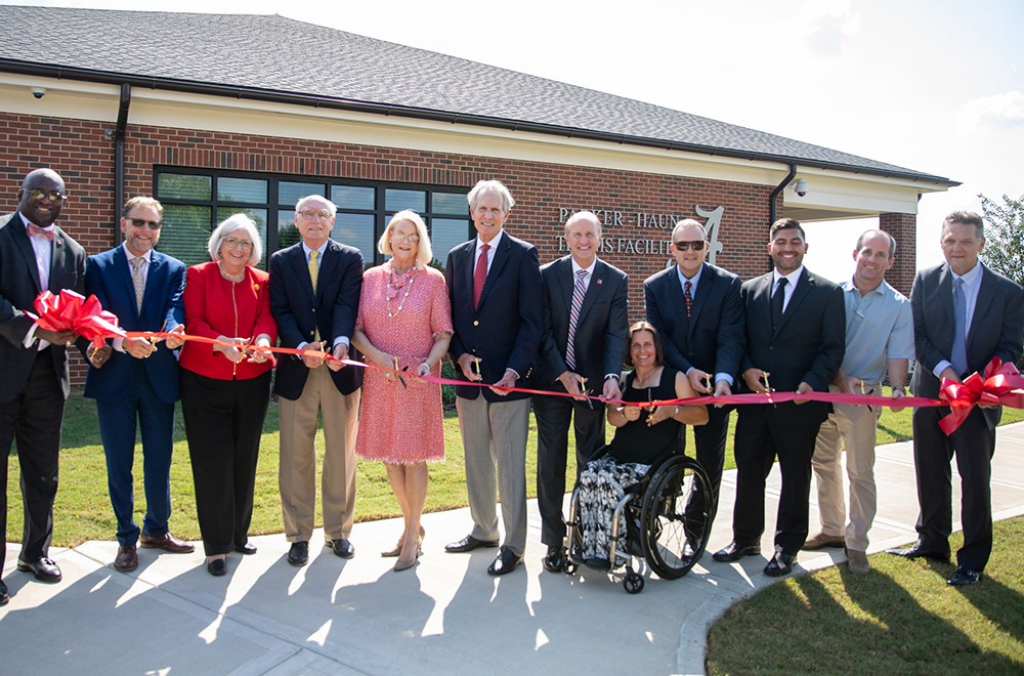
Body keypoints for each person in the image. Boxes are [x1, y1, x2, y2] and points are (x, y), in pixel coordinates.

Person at [887, 211, 1024, 586]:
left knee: (975, 477)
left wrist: (984, 382)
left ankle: (973, 559)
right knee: (930, 469)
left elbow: (1011, 346)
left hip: (979, 400)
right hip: (933, 392)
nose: (957, 248)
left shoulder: (1009, 293)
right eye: (950, 240)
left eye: (965, 241)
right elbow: (919, 333)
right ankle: (932, 542)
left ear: (981, 244)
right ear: (941, 242)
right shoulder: (926, 280)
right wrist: (947, 373)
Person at [713, 218, 845, 577]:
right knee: (749, 472)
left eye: (795, 242)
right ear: (768, 247)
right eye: (781, 242)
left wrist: (811, 382)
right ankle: (745, 539)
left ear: (806, 246)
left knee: (795, 476)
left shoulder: (828, 293)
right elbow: (736, 340)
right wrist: (746, 370)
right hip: (755, 405)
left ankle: (787, 547)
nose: (788, 248)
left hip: (800, 405)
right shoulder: (749, 290)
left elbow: (832, 349)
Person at [83, 196, 193, 572]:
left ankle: (157, 529)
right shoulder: (97, 266)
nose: (146, 231)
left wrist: (171, 332)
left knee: (160, 458)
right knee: (119, 462)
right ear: (123, 224)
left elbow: (175, 307)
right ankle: (126, 538)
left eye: (153, 225)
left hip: (159, 377)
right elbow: (92, 315)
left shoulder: (174, 268)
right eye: (139, 223)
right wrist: (120, 342)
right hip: (114, 378)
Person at [443, 179, 543, 576]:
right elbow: (449, 316)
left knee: (510, 466)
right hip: (469, 381)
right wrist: (458, 354)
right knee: (476, 462)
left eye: (495, 209)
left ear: (506, 214)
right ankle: (484, 529)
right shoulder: (456, 256)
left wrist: (515, 370)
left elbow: (532, 323)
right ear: (472, 213)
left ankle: (514, 544)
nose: (487, 215)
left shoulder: (522, 256)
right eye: (481, 209)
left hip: (509, 382)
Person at [0, 168, 86, 603]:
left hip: (48, 381)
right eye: (38, 192)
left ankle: (36, 553)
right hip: (2, 373)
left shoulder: (72, 250)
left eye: (55, 194)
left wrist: (97, 346)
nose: (47, 199)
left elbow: (82, 311)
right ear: (22, 194)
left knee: (43, 475)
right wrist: (34, 330)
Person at [806, 229, 913, 574]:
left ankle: (857, 543)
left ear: (891, 263)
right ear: (855, 254)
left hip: (863, 399)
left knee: (860, 472)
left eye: (881, 255)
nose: (873, 260)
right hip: (824, 394)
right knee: (823, 464)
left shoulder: (899, 306)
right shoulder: (831, 294)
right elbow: (819, 344)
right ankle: (832, 530)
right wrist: (837, 379)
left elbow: (898, 355)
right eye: (868, 252)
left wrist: (897, 388)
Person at [351, 210, 452, 572]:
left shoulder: (434, 280)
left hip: (417, 380)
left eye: (412, 235)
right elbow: (357, 329)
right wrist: (377, 357)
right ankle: (412, 525)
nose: (405, 241)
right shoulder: (369, 278)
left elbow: (443, 334)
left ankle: (411, 536)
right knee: (391, 457)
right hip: (380, 378)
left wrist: (428, 364)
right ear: (388, 238)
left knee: (413, 456)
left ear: (420, 240)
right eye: (399, 234)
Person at [179, 214, 276, 577]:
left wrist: (263, 341)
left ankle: (238, 533)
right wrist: (221, 345)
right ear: (218, 244)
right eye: (232, 241)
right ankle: (216, 546)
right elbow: (194, 322)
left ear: (254, 250)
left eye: (246, 243)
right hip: (205, 380)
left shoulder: (262, 281)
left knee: (244, 456)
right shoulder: (199, 275)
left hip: (252, 379)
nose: (238, 248)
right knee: (212, 460)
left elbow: (267, 321)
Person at [270, 195, 363, 567]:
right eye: (307, 214)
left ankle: (338, 532)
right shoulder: (281, 261)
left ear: (332, 222)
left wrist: (340, 343)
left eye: (322, 215)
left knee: (341, 454)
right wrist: (298, 345)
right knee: (296, 456)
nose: (315, 220)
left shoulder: (349, 258)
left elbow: (347, 304)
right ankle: (298, 535)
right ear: (296, 220)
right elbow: (280, 310)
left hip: (340, 370)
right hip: (297, 369)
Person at [534, 211, 628, 573]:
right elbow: (541, 331)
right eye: (577, 235)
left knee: (590, 462)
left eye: (590, 234)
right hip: (552, 383)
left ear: (599, 237)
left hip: (592, 386)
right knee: (551, 464)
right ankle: (554, 542)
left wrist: (610, 376)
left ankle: (590, 536)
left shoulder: (615, 279)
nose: (584, 241)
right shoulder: (547, 276)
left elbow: (616, 334)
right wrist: (562, 374)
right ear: (567, 238)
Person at [576, 321, 707, 568]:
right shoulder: (623, 381)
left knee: (605, 478)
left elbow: (702, 415)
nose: (642, 351)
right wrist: (624, 414)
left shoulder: (674, 378)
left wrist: (673, 410)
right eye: (636, 345)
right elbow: (612, 418)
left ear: (656, 348)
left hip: (653, 464)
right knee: (589, 473)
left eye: (647, 344)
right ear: (629, 350)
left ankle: (616, 545)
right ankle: (594, 546)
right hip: (619, 457)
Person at [644, 218, 744, 529]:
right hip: (672, 382)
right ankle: (658, 514)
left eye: (697, 244)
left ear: (707, 247)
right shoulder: (655, 286)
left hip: (714, 386)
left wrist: (724, 378)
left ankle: (696, 529)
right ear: (672, 249)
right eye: (683, 245)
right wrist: (686, 371)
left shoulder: (728, 284)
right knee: (664, 454)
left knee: (709, 462)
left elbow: (731, 337)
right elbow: (661, 337)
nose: (690, 251)